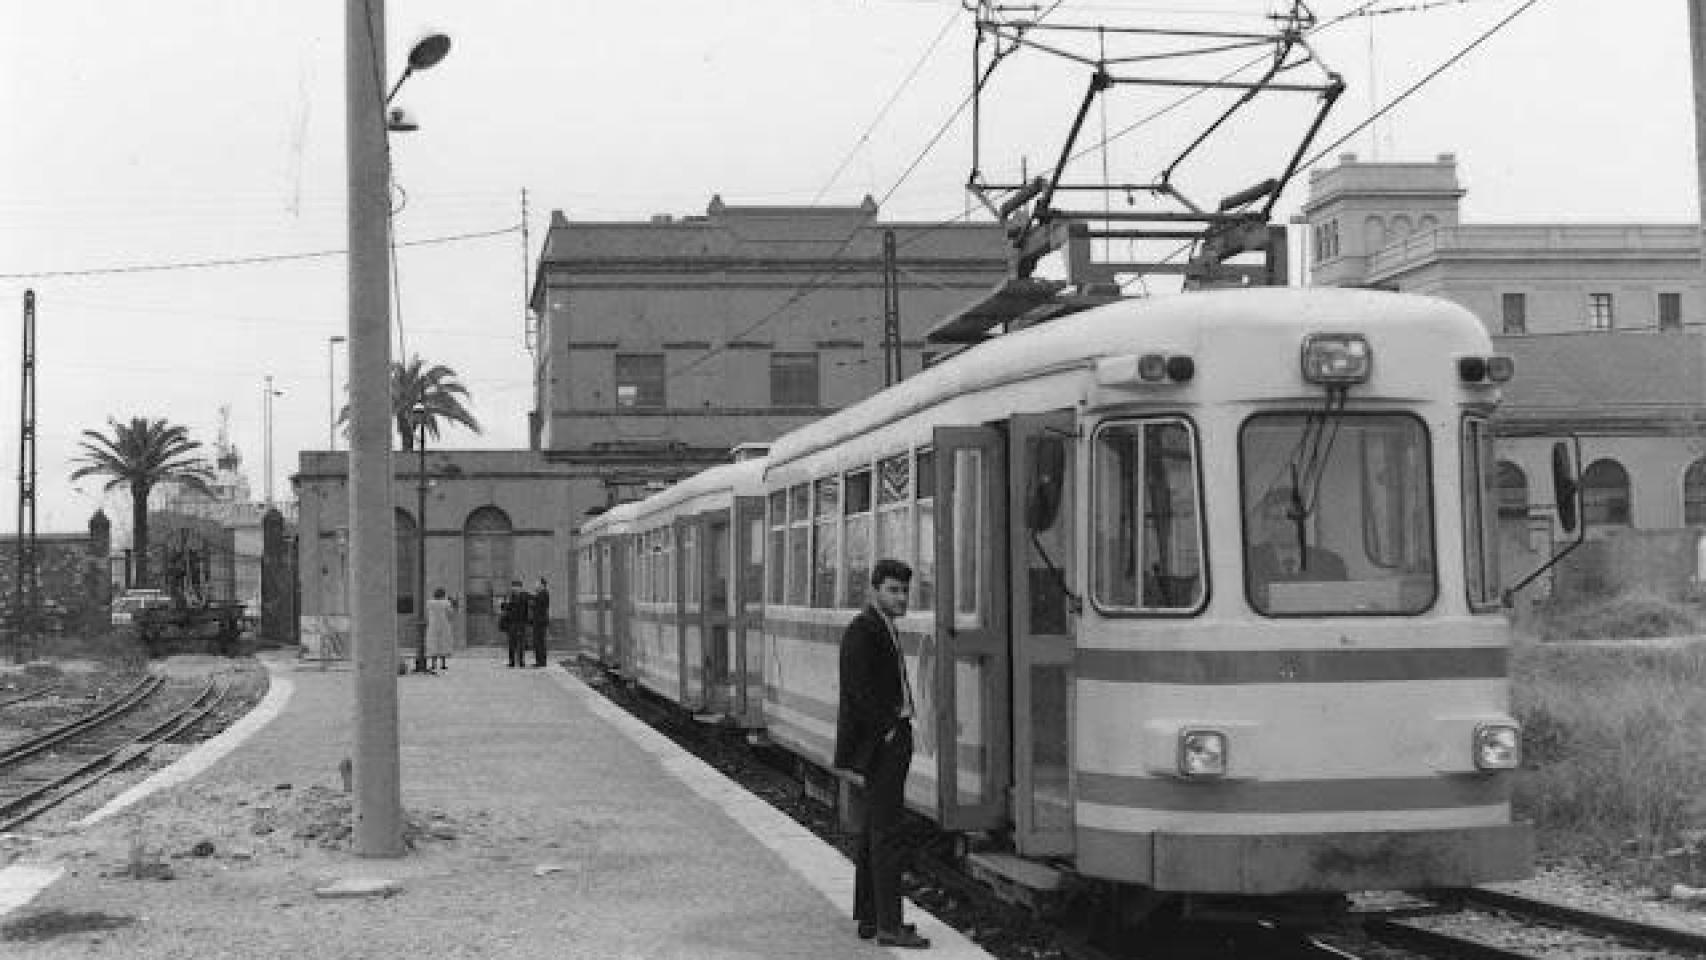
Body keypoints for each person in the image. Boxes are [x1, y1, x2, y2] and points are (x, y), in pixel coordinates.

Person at [833, 558, 929, 950]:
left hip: (888, 740)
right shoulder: (864, 630)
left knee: (876, 831)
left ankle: (870, 918)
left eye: (905, 591)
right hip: (883, 745)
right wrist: (888, 731)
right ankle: (890, 925)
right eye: (893, 590)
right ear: (874, 591)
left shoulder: (882, 627)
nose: (901, 597)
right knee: (887, 834)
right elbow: (858, 692)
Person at [1246, 486, 1347, 607]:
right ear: (1265, 524)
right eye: (1277, 518)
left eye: (1292, 517)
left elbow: (1340, 608)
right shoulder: (1248, 562)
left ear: (1303, 521)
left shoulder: (1330, 563)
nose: (1286, 525)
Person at [499, 579, 531, 668]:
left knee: (520, 643)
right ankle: (512, 661)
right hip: (511, 623)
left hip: (521, 622)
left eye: (516, 587)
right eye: (513, 587)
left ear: (520, 587)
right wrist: (504, 604)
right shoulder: (511, 596)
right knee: (511, 643)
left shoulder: (525, 596)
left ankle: (521, 662)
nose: (514, 589)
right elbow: (505, 607)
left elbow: (528, 605)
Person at [424, 587, 455, 671]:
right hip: (444, 625)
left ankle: (433, 665)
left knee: (433, 644)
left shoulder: (429, 603)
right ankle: (443, 664)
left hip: (433, 625)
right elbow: (451, 614)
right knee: (443, 644)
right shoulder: (446, 603)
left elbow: (427, 614)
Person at [530, 577, 551, 668]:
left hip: (540, 621)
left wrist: (532, 601)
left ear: (542, 585)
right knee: (537, 641)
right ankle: (539, 661)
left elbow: (538, 605)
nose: (535, 585)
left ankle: (541, 662)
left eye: (537, 584)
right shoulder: (539, 594)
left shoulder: (544, 594)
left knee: (540, 641)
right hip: (538, 621)